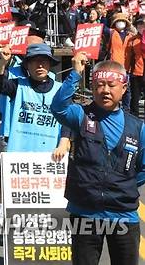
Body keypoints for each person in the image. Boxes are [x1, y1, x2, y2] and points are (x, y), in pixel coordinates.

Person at [50, 53, 145, 265]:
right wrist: (75, 73)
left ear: (124, 88)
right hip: (85, 212)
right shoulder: (80, 115)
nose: (105, 90)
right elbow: (58, 107)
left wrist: (119, 182)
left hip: (123, 215)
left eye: (111, 85)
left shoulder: (138, 127)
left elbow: (142, 169)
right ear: (92, 88)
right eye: (99, 84)